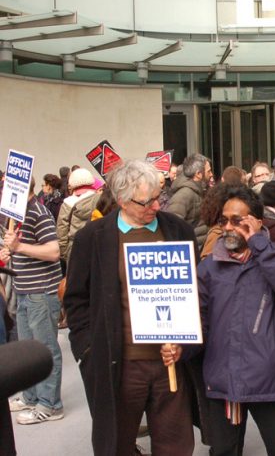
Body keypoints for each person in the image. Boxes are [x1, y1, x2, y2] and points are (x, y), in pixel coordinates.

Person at [63, 159, 201, 456]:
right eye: (146, 201)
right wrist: (88, 351)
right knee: (117, 444)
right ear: (123, 200)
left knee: (176, 445)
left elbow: (197, 293)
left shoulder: (177, 230)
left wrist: (185, 343)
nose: (155, 206)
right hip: (120, 366)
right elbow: (76, 300)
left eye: (158, 198)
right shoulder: (93, 237)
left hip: (170, 365)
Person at [165, 185, 275, 456]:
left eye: (237, 220)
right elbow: (200, 323)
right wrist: (182, 347)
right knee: (223, 450)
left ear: (256, 221)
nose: (228, 228)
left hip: (268, 379)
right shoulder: (209, 267)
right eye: (224, 221)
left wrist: (259, 244)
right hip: (224, 380)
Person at [1, 178, 64, 425]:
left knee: (46, 349)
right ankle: (31, 397)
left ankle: (50, 404)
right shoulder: (17, 214)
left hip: (41, 292)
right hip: (25, 290)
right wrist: (10, 250)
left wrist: (20, 247)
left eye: (6, 186)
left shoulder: (38, 212)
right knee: (29, 350)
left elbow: (53, 252)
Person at [166, 153, 213, 248]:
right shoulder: (184, 195)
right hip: (191, 252)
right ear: (199, 174)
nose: (211, 174)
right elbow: (172, 228)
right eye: (209, 171)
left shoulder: (198, 191)